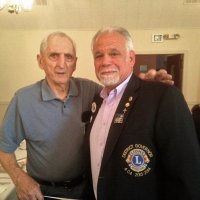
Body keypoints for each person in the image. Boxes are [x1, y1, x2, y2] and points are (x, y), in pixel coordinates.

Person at [0, 31, 173, 200]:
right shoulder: (23, 100)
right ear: (40, 61)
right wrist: (19, 178)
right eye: (53, 56)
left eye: (68, 57)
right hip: (41, 192)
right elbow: (3, 148)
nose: (62, 64)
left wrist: (146, 88)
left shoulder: (92, 91)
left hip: (87, 189)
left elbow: (122, 94)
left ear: (75, 63)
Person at [86, 26, 200, 200]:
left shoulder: (163, 96)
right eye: (98, 55)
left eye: (114, 53)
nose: (105, 61)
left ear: (131, 58)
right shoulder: (96, 101)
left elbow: (186, 173)